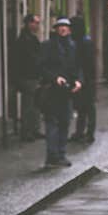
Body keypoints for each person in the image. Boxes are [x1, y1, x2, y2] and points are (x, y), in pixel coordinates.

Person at [38, 16, 82, 168]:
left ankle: (61, 154)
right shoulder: (47, 46)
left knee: (65, 122)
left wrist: (78, 80)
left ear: (69, 30)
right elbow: (41, 67)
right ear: (55, 29)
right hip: (51, 91)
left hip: (67, 91)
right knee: (52, 123)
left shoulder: (73, 46)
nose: (63, 29)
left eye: (66, 27)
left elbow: (76, 67)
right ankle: (52, 156)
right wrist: (54, 78)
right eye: (60, 27)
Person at [11, 14, 42, 142]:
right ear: (29, 23)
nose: (37, 26)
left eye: (38, 23)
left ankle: (33, 130)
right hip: (27, 76)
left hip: (31, 75)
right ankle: (27, 131)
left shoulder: (30, 39)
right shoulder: (25, 40)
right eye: (35, 23)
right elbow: (28, 59)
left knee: (34, 104)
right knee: (29, 105)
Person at [69, 16, 96, 144]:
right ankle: (82, 132)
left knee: (86, 107)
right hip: (84, 78)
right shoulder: (82, 41)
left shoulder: (82, 42)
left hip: (85, 79)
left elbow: (86, 62)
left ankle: (88, 132)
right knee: (83, 107)